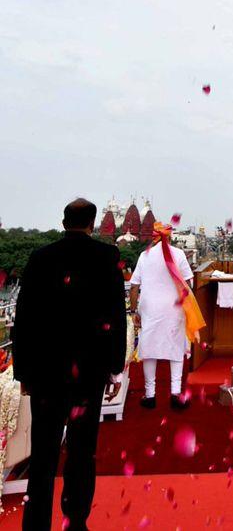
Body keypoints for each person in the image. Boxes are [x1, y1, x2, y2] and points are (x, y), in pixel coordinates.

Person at [12, 198, 126, 531]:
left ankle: (36, 525)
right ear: (93, 224)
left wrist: (23, 372)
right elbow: (115, 317)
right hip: (88, 374)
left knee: (43, 453)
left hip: (46, 374)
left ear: (64, 222)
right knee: (81, 452)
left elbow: (25, 319)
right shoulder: (107, 258)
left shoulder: (40, 258)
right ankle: (76, 521)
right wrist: (114, 368)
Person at [130, 222, 204, 410]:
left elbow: (134, 286)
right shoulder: (178, 254)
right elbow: (188, 282)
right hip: (175, 308)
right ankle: (175, 394)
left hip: (150, 309)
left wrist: (133, 310)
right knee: (176, 350)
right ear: (170, 236)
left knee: (149, 351)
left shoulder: (144, 255)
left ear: (154, 237)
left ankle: (150, 396)